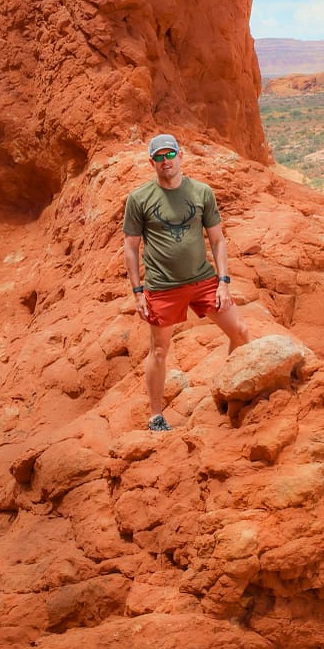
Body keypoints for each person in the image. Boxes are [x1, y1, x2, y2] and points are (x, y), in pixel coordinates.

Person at [123, 134, 250, 431]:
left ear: (181, 156)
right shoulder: (139, 199)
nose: (165, 161)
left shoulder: (201, 192)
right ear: (151, 161)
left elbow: (217, 240)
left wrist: (223, 282)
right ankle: (156, 416)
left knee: (241, 332)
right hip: (161, 286)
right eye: (159, 157)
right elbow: (131, 247)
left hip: (203, 281)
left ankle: (229, 391)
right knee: (159, 350)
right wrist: (138, 291)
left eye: (170, 155)